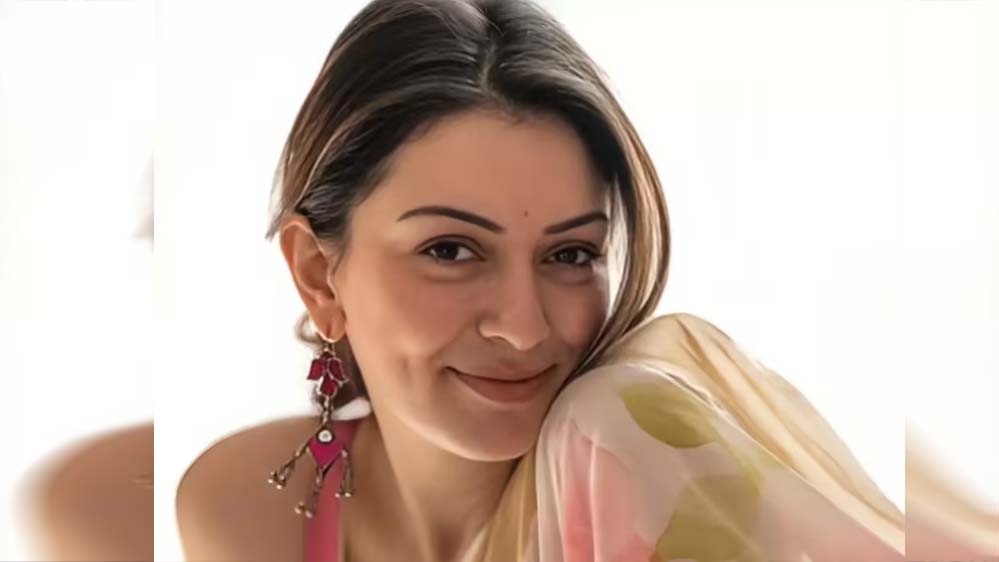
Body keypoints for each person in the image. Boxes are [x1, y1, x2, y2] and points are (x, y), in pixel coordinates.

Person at [175, 1, 904, 561]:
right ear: (318, 277)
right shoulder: (245, 503)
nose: (524, 328)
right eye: (450, 250)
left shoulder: (630, 450)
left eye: (571, 255)